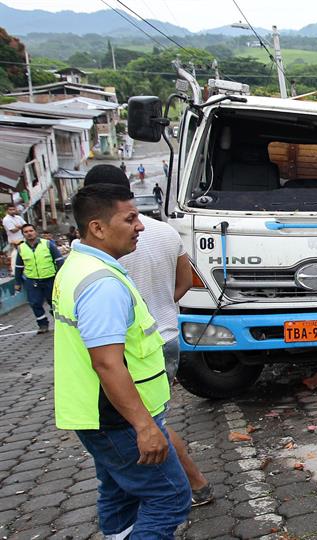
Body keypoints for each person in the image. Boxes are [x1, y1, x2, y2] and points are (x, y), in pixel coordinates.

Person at [52, 183, 191, 538]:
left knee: (118, 492)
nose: (140, 226)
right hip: (119, 418)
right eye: (130, 219)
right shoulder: (101, 284)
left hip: (97, 413)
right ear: (97, 227)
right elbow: (108, 363)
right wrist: (145, 427)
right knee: (171, 496)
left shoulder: (77, 266)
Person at [83, 164, 213, 507]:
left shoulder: (99, 244)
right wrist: (158, 306)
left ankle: (193, 485)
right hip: (167, 336)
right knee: (149, 420)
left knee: (146, 425)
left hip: (128, 350)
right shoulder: (166, 232)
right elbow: (185, 283)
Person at [14, 223, 64, 333]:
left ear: (35, 232)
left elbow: (59, 260)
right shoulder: (21, 248)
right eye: (26, 232)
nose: (29, 233)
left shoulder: (47, 244)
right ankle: (42, 325)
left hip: (50, 278)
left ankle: (59, 323)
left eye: (31, 231)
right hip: (32, 280)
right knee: (35, 303)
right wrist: (17, 282)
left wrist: (61, 276)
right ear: (23, 234)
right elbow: (19, 267)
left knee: (54, 302)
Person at [3, 205, 26, 273]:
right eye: (10, 209)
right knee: (15, 256)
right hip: (14, 242)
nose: (12, 211)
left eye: (13, 209)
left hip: (23, 239)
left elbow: (25, 226)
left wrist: (18, 227)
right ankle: (15, 272)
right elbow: (13, 230)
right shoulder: (6, 219)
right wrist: (20, 227)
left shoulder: (18, 217)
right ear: (7, 210)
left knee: (24, 256)